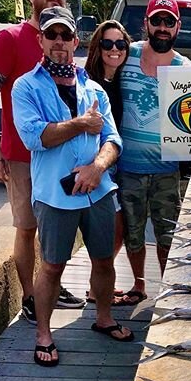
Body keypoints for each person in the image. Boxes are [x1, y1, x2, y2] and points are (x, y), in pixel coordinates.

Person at [12, 6, 131, 368]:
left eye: (66, 35)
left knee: (104, 259)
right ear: (41, 40)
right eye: (52, 35)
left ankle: (104, 316)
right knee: (51, 266)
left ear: (76, 41)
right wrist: (82, 124)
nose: (59, 42)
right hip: (54, 195)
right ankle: (44, 334)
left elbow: (112, 139)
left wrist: (97, 167)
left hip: (97, 190)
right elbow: (35, 137)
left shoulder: (93, 88)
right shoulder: (25, 86)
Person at [0, 0, 84, 325]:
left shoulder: (61, 39)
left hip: (56, 154)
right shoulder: (9, 38)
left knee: (54, 224)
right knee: (26, 227)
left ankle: (49, 285)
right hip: (22, 157)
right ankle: (28, 295)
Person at [115, 0, 191, 307]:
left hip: (166, 170)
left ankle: (168, 291)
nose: (162, 27)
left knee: (167, 235)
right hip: (127, 167)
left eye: (168, 22)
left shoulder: (185, 68)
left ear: (177, 27)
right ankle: (138, 284)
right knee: (133, 233)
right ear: (145, 23)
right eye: (156, 21)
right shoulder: (124, 55)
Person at [84, 19, 131, 301]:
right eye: (107, 44)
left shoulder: (121, 77)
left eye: (120, 44)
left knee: (116, 229)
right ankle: (96, 287)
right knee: (112, 230)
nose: (114, 50)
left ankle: (99, 284)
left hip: (115, 163)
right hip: (97, 166)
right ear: (97, 47)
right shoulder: (89, 83)